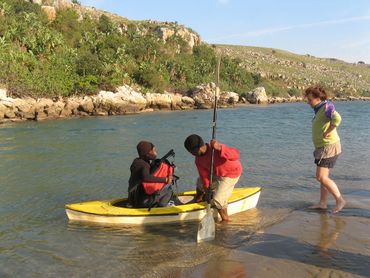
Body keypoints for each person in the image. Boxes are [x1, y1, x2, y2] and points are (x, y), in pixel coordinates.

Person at [304, 86, 346, 213]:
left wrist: (328, 131)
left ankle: (340, 200)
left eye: (310, 99)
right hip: (324, 147)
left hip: (328, 147)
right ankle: (323, 203)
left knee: (321, 177)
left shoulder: (326, 107)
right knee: (324, 177)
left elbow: (337, 119)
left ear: (318, 98)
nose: (308, 102)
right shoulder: (320, 108)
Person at [184, 134, 243, 222]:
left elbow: (236, 154)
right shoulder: (198, 160)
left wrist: (219, 148)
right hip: (216, 174)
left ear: (198, 148)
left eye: (191, 152)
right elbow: (204, 177)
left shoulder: (216, 148)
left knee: (218, 199)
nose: (191, 154)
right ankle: (199, 199)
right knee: (199, 183)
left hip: (231, 173)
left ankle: (225, 219)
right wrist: (207, 190)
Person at [128, 140, 177, 208]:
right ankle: (164, 205)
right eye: (153, 151)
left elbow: (143, 178)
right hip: (141, 201)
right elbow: (146, 177)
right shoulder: (144, 165)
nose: (156, 153)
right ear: (147, 154)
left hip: (132, 198)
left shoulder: (136, 161)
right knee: (168, 186)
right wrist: (165, 179)